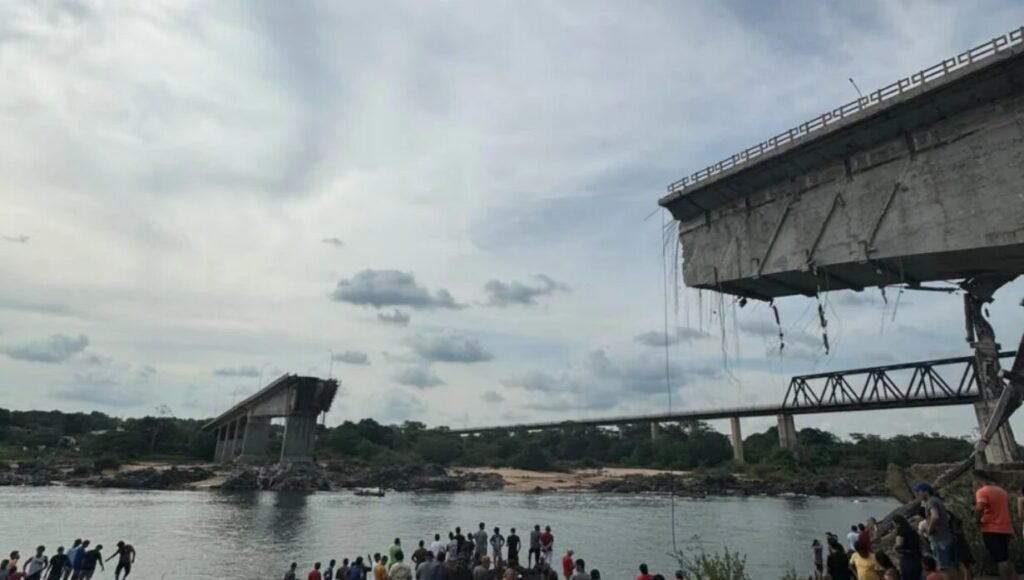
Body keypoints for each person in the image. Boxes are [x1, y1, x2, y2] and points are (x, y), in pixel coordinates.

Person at [974, 470, 1016, 580]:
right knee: (1005, 557)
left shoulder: (982, 492)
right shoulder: (1001, 491)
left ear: (978, 479)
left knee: (1000, 559)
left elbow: (979, 508)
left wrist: (977, 520)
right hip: (1005, 528)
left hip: (991, 528)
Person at [915, 482, 961, 580]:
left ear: (925, 492)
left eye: (919, 493)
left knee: (943, 568)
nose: (918, 495)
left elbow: (935, 516)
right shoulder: (937, 500)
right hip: (947, 537)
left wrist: (929, 530)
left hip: (939, 540)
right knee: (951, 566)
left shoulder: (930, 502)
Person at [892, 515, 922, 580]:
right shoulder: (912, 529)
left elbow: (899, 544)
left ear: (897, 523)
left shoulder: (900, 530)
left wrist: (894, 548)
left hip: (907, 556)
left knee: (908, 575)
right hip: (917, 554)